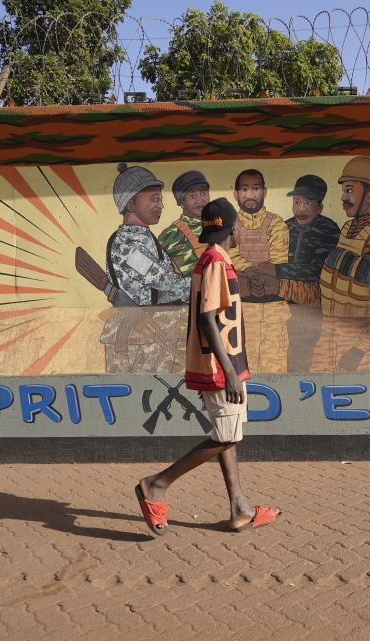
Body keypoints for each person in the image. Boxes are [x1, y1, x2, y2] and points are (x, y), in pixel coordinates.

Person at [134, 197, 281, 535]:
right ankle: (157, 484)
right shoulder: (215, 262)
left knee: (230, 433)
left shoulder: (212, 259)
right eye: (240, 223)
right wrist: (228, 370)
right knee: (225, 434)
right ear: (232, 228)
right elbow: (207, 318)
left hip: (223, 364)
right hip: (219, 367)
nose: (243, 228)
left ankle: (239, 507)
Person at [311, 156, 370, 372]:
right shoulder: (348, 231)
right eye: (344, 192)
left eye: (349, 191)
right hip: (333, 338)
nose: (343, 198)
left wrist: (358, 350)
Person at [101, 163, 189, 373]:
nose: (160, 205)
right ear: (130, 204)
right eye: (154, 199)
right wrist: (212, 284)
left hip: (156, 335)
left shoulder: (145, 239)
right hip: (137, 341)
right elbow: (168, 284)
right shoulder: (127, 246)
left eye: (160, 199)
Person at [259, 175, 340, 371]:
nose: (300, 208)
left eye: (307, 203)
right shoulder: (284, 228)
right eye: (297, 202)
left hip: (310, 305)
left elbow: (317, 270)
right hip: (279, 303)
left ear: (319, 207)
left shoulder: (329, 230)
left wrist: (277, 270)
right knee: (274, 354)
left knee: (303, 356)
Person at [228, 169, 291, 372]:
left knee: (275, 368)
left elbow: (277, 261)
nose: (250, 194)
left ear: (265, 191)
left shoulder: (277, 223)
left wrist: (254, 273)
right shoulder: (229, 225)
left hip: (273, 311)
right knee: (242, 368)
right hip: (241, 309)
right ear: (236, 194)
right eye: (244, 189)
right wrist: (251, 270)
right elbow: (229, 255)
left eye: (256, 189)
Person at [158, 170, 211, 278]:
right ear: (182, 202)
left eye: (203, 194)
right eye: (192, 196)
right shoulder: (170, 235)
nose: (200, 200)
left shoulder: (220, 225)